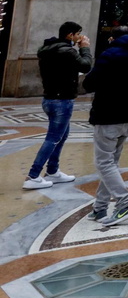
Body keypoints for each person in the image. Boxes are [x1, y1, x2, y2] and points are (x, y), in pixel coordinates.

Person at [83, 26, 128, 224]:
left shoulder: (110, 55)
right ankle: (100, 207)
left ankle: (124, 204)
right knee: (111, 162)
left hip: (107, 113)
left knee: (104, 163)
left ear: (114, 38)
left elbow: (90, 83)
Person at [24, 21, 93, 189]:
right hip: (61, 100)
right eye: (77, 34)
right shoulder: (67, 51)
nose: (79, 37)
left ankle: (53, 171)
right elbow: (86, 65)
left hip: (50, 98)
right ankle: (33, 175)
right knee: (53, 138)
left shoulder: (49, 50)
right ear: (70, 35)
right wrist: (84, 48)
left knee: (61, 136)